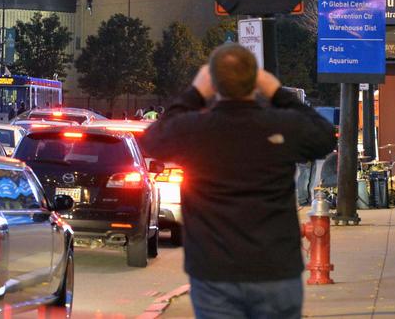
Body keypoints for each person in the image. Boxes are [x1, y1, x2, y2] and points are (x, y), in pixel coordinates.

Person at [143, 44, 336, 319]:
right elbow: (325, 136)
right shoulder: (281, 125)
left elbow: (152, 139)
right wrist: (278, 94)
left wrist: (194, 93)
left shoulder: (195, 129)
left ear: (212, 82)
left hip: (214, 272)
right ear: (257, 80)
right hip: (275, 268)